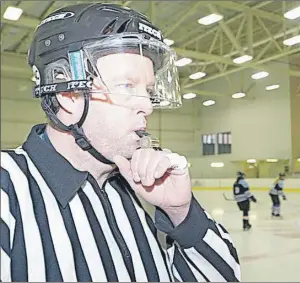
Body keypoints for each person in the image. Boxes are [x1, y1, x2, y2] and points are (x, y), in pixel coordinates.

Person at [0, 3, 240, 282]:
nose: (148, 107)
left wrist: (181, 215)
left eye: (148, 91)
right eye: (127, 86)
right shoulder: (7, 190)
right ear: (68, 93)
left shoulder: (145, 194)